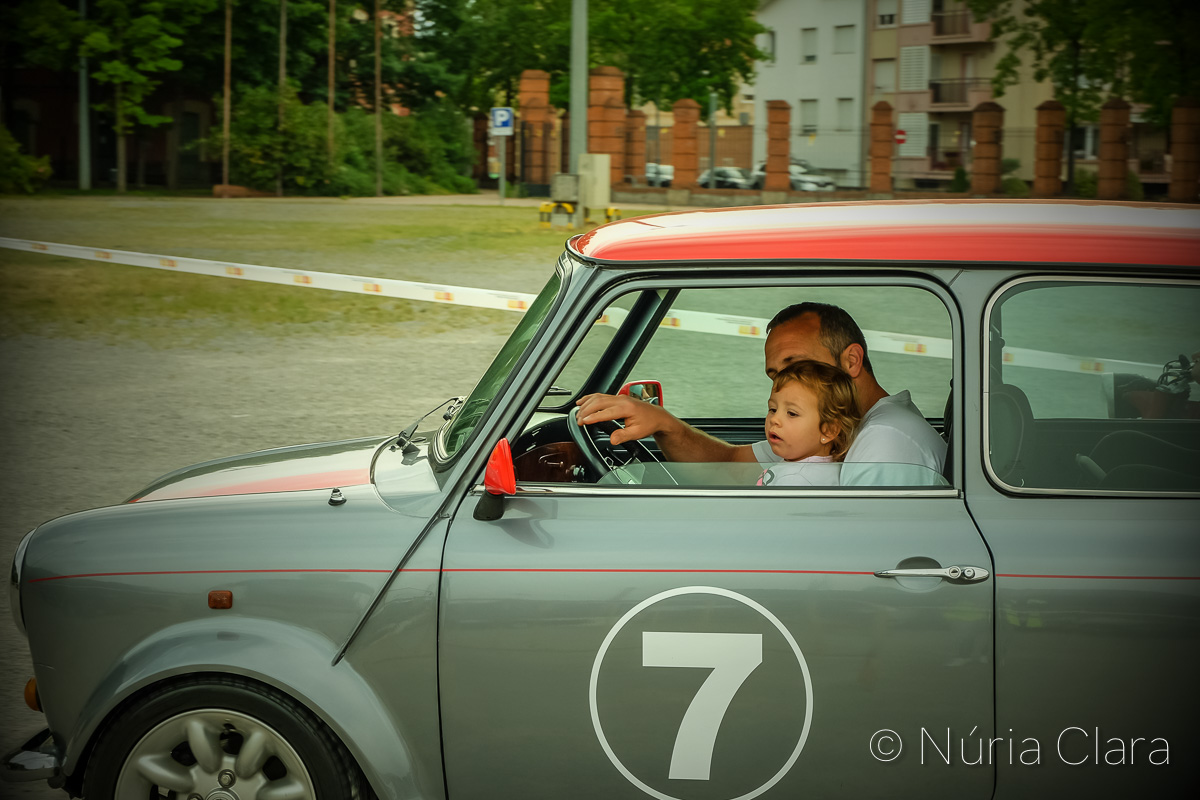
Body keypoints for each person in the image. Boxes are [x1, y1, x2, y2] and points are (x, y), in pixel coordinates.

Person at [576, 301, 947, 475]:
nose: (783, 384)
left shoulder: (885, 441)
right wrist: (664, 424)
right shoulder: (819, 431)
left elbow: (866, 556)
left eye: (797, 365)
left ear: (851, 360)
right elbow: (728, 466)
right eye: (774, 375)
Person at [756, 359, 861, 487]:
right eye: (773, 409)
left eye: (792, 413)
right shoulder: (816, 470)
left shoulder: (795, 480)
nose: (774, 419)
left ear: (828, 430)